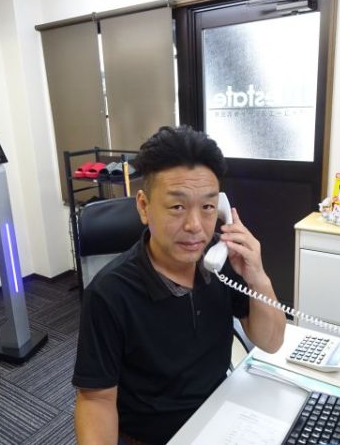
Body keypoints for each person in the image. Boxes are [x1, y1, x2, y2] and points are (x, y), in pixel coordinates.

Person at [72, 125, 286, 444]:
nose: (195, 226)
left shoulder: (221, 261)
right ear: (144, 207)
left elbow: (271, 342)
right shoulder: (110, 293)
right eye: (177, 207)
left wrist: (258, 276)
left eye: (208, 207)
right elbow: (96, 400)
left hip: (222, 415)